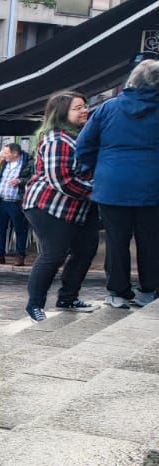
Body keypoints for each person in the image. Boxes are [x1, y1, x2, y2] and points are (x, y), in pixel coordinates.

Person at [78, 60, 159, 307]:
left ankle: (117, 292)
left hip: (112, 185)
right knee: (151, 240)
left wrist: (94, 169)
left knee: (116, 240)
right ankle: (149, 290)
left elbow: (84, 145)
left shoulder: (107, 108)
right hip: (153, 186)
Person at [22, 93, 97, 320]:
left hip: (76, 208)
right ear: (62, 112)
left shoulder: (78, 137)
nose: (84, 111)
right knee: (54, 254)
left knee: (85, 250)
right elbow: (62, 180)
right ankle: (34, 304)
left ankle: (68, 298)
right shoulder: (57, 140)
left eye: (85, 106)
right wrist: (95, 190)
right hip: (48, 206)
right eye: (77, 108)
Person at [0, 143, 31, 266]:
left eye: (6, 153)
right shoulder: (4, 163)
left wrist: (20, 181)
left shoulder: (27, 163)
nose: (3, 155)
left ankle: (20, 255)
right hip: (1, 201)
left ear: (15, 153)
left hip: (16, 202)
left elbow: (33, 178)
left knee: (20, 229)